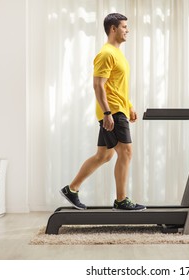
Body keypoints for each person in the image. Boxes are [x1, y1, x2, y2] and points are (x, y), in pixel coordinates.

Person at [60, 13, 146, 211]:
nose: (128, 30)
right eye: (124, 26)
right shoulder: (106, 54)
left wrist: (129, 105)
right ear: (113, 29)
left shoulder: (117, 54)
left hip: (119, 109)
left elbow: (115, 86)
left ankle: (71, 190)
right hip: (112, 112)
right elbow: (98, 86)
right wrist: (108, 113)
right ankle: (121, 200)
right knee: (126, 152)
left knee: (104, 156)